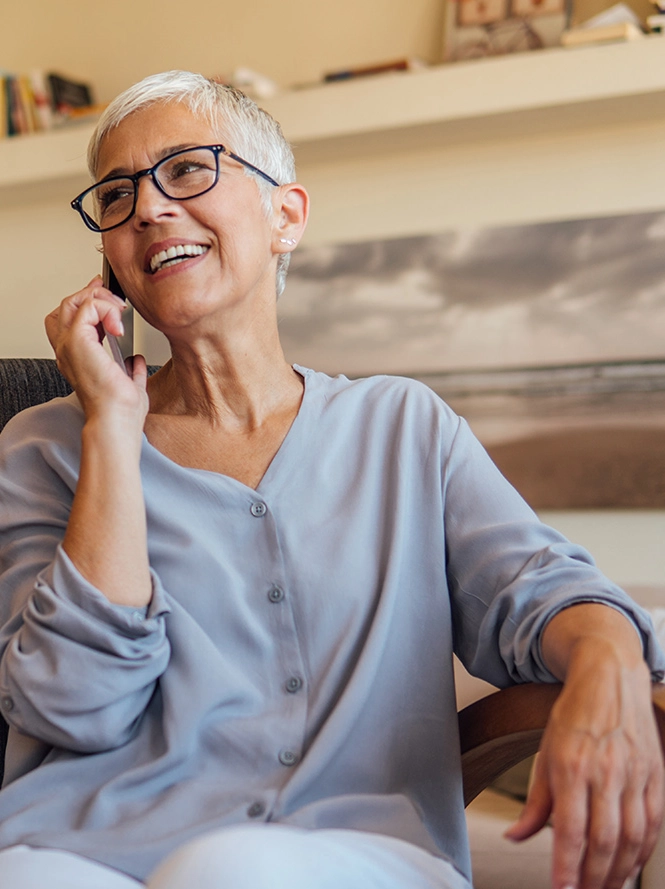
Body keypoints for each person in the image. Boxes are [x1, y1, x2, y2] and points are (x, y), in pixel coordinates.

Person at [0, 69, 662, 889]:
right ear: (110, 258)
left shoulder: (402, 427)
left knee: (234, 870)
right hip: (72, 844)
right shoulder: (45, 444)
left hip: (347, 847)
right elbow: (72, 704)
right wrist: (108, 429)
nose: (149, 207)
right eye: (117, 194)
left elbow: (542, 590)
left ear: (286, 215)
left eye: (186, 169)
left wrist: (609, 669)